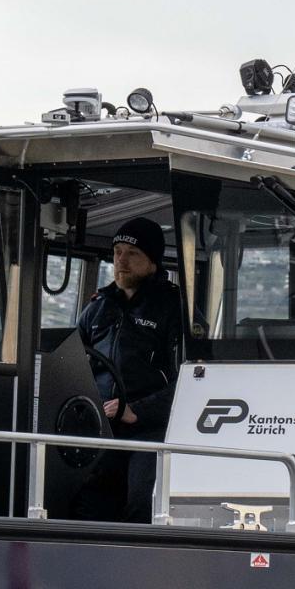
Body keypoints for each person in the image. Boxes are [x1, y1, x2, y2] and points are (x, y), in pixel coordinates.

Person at [71, 215, 187, 523]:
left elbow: (190, 380)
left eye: (132, 254)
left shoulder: (174, 309)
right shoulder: (97, 308)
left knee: (141, 503)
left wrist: (137, 410)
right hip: (101, 427)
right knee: (87, 505)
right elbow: (71, 366)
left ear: (152, 261)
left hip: (151, 429)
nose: (121, 260)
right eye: (117, 252)